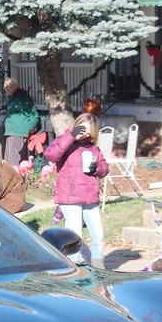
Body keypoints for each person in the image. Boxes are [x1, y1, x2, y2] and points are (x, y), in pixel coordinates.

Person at [45, 113, 110, 268]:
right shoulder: (65, 141)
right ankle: (74, 266)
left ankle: (99, 266)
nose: (84, 134)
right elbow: (51, 155)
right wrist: (71, 136)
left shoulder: (93, 148)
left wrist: (97, 168)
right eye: (82, 129)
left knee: (97, 233)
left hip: (89, 195)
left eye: (88, 132)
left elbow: (105, 167)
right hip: (70, 195)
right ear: (77, 125)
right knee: (75, 234)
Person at [2, 77, 39, 166]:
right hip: (13, 132)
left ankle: (14, 178)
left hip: (17, 132)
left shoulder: (23, 98)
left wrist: (28, 129)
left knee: (13, 160)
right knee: (10, 159)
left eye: (7, 86)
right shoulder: (15, 98)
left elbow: (34, 116)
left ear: (12, 87)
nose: (5, 89)